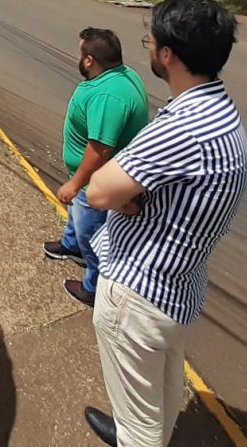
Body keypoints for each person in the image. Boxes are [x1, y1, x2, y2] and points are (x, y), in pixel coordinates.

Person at [82, 0, 247, 447]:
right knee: (162, 396)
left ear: (168, 55)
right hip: (179, 288)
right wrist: (133, 199)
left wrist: (124, 200)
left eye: (150, 43)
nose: (149, 50)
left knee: (140, 432)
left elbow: (99, 190)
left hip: (138, 294)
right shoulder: (223, 114)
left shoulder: (182, 125)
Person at [43, 28, 148, 306]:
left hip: (94, 184)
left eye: (80, 52)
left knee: (93, 235)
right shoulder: (121, 76)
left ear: (89, 60)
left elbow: (100, 149)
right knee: (76, 219)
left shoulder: (108, 97)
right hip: (86, 181)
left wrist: (75, 183)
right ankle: (71, 244)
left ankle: (93, 286)